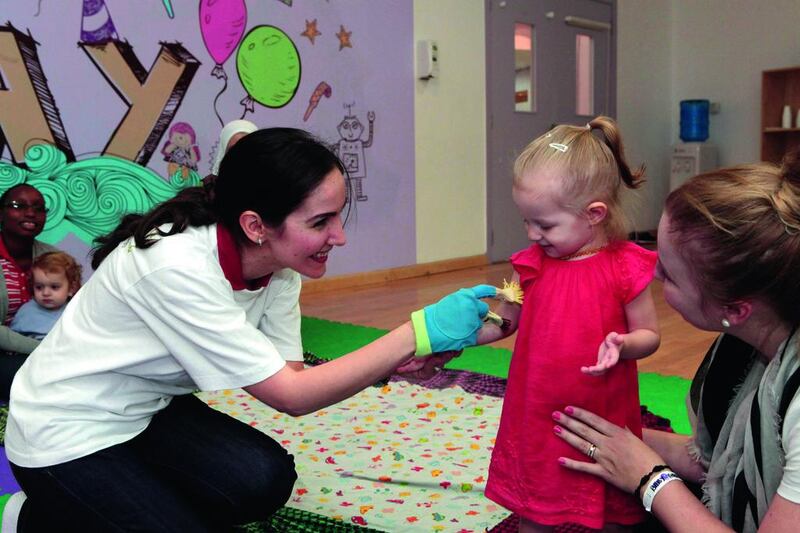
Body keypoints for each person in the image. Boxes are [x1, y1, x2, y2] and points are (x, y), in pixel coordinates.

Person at [3, 128, 497, 531]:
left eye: (339, 218)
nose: (339, 236)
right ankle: (32, 517)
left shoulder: (279, 265)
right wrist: (416, 331)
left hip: (144, 409)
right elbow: (292, 396)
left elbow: (289, 372)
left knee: (263, 480)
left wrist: (395, 366)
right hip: (65, 429)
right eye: (321, 221)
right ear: (256, 224)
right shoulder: (176, 267)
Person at [553, 152, 800, 532]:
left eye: (669, 274)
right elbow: (716, 465)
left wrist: (649, 478)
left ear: (735, 310)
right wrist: (611, 437)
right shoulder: (749, 345)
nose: (653, 275)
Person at [479, 116, 661, 532]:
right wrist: (469, 327)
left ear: (594, 214)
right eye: (526, 220)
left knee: (610, 506)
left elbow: (649, 335)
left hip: (601, 411)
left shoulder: (624, 267)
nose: (531, 233)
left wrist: (624, 344)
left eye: (544, 224)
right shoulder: (531, 264)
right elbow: (506, 320)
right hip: (537, 408)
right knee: (534, 507)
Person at [0, 183, 57, 399]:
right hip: (25, 355)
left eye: (39, 207)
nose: (31, 213)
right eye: (18, 205)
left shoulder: (54, 258)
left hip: (43, 351)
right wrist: (44, 351)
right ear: (1, 213)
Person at [10, 251, 82, 340]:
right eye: (39, 287)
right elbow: (14, 339)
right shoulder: (26, 312)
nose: (46, 293)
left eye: (54, 287)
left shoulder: (76, 311)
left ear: (71, 288)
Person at [203, 119, 258, 195]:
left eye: (246, 148)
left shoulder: (267, 187)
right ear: (223, 151)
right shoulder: (208, 189)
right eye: (233, 149)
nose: (240, 155)